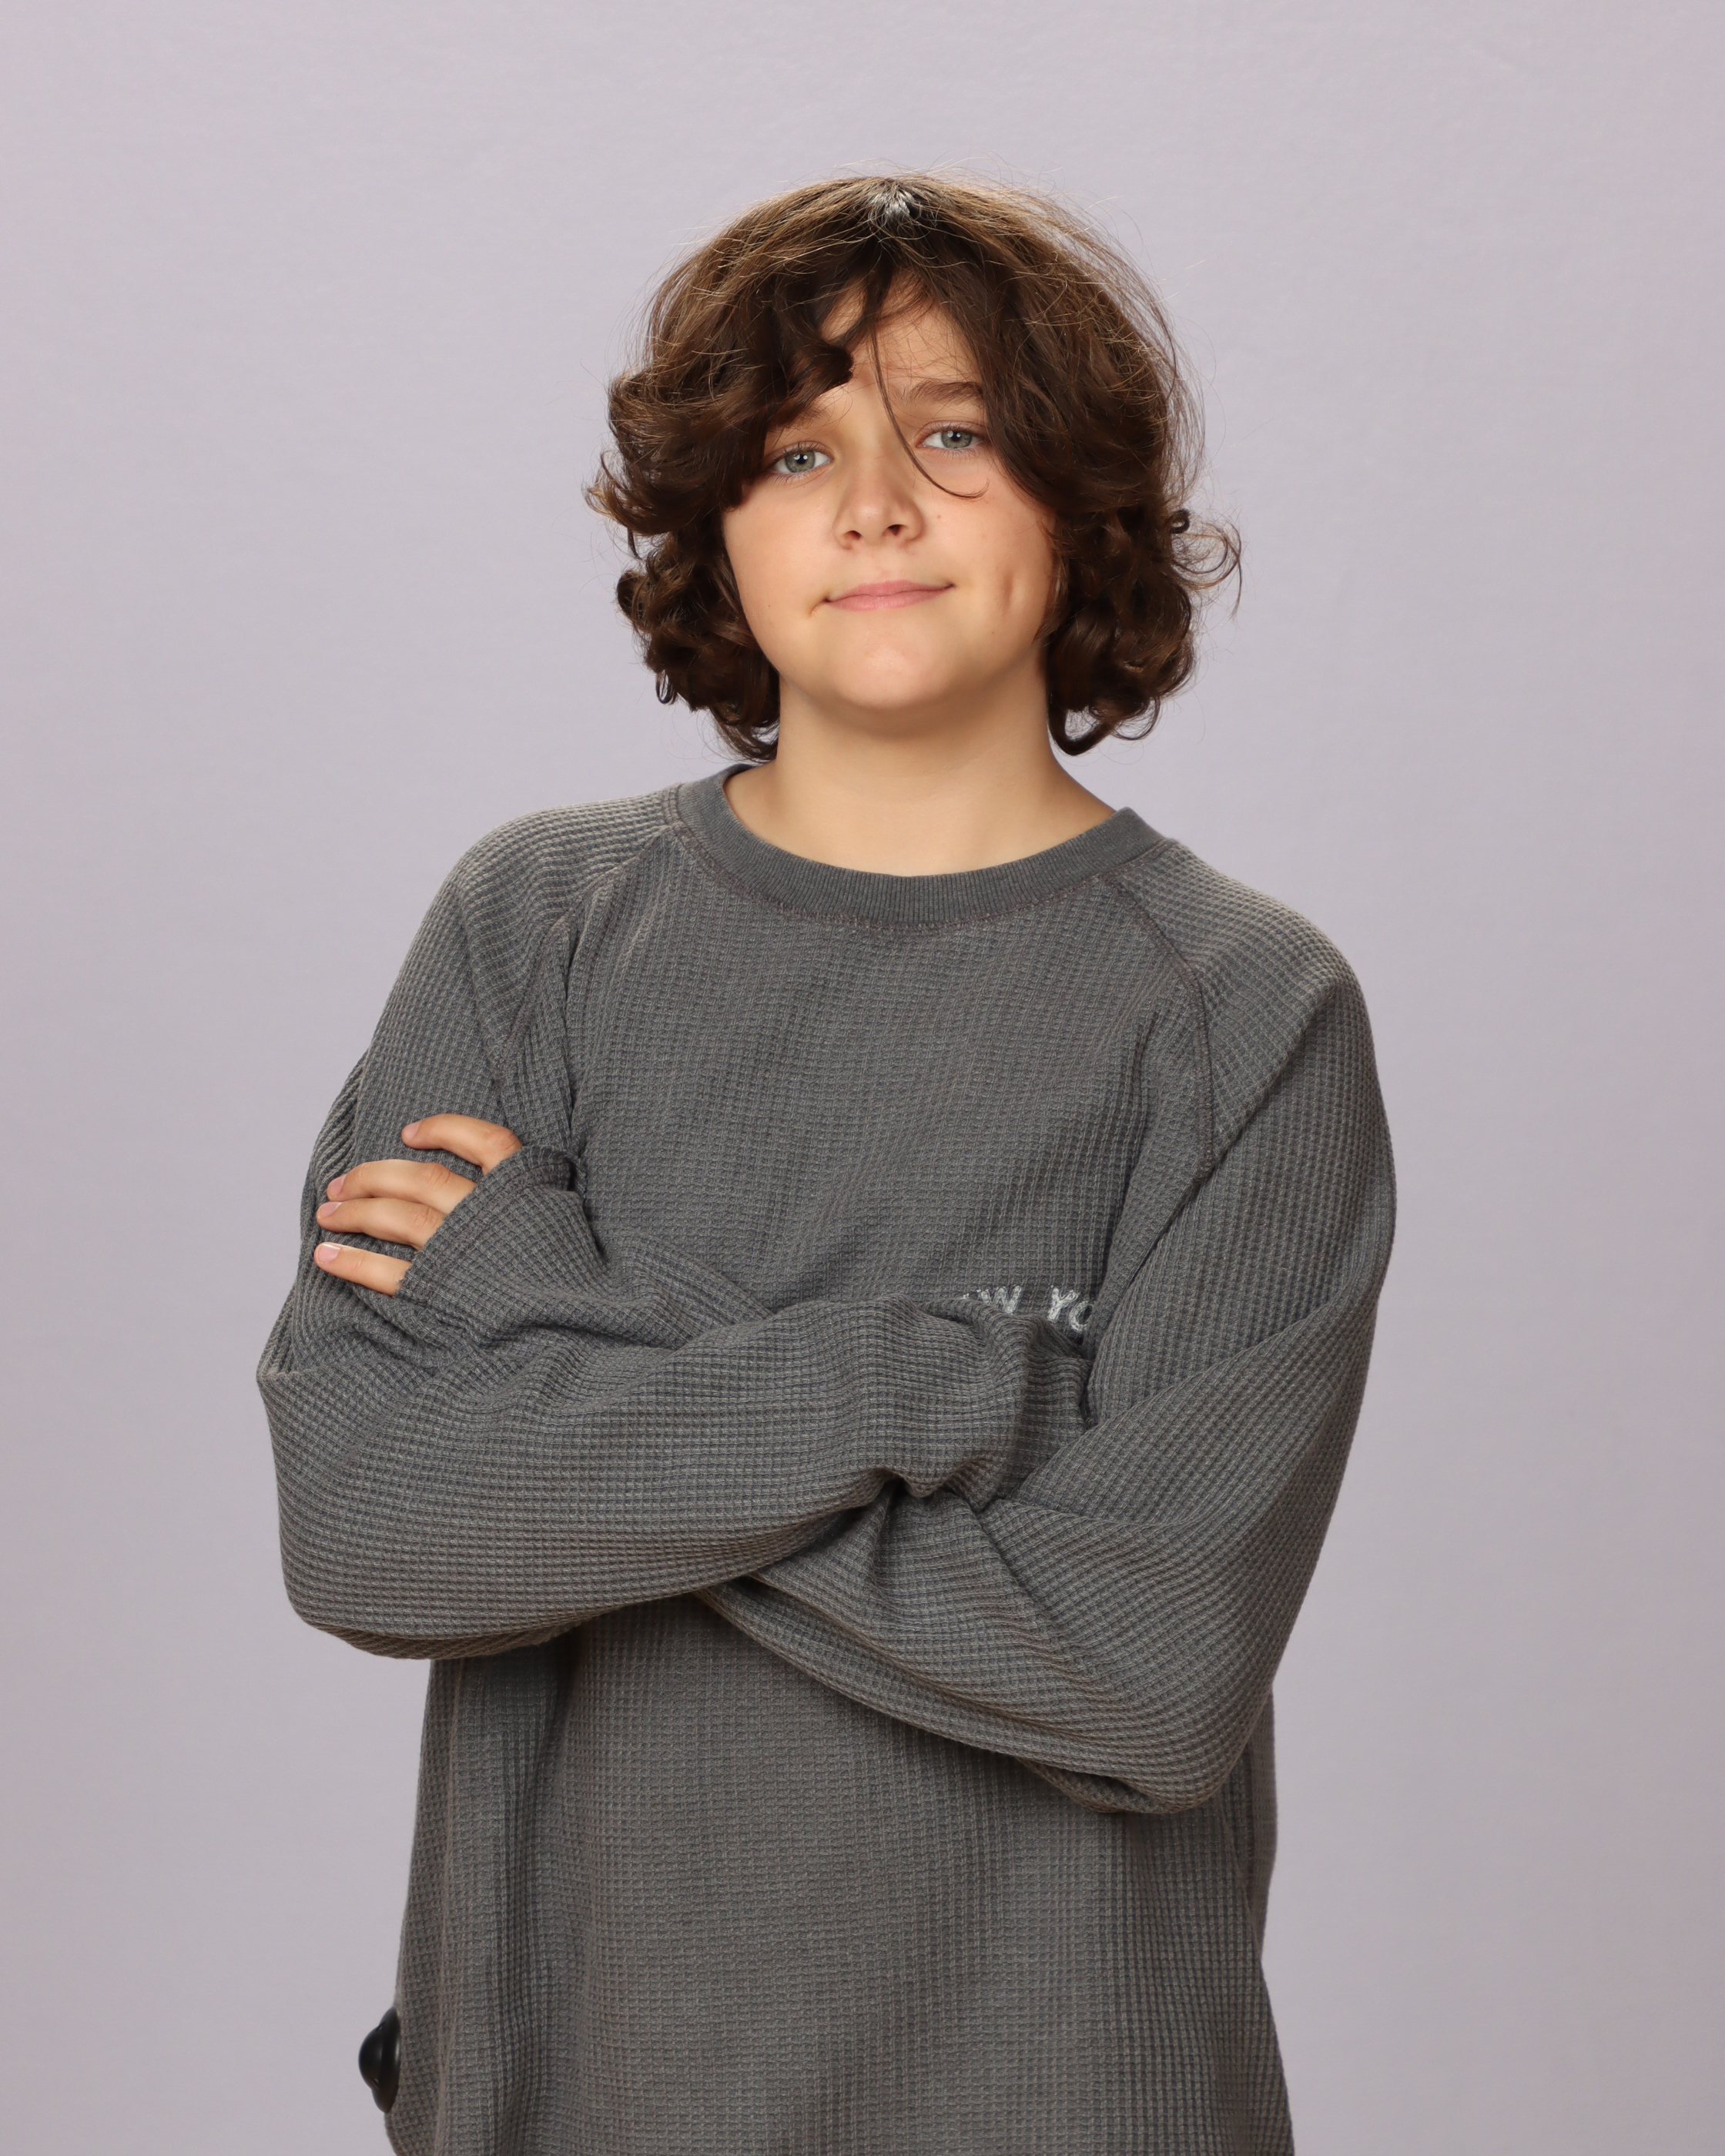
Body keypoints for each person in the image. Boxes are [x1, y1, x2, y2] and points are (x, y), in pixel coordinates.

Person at [260, 172, 1395, 2156]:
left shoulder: (1240, 1012)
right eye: (798, 450)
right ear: (718, 522)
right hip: (578, 2090)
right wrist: (918, 1386)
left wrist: (567, 1314)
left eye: (954, 435)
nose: (874, 506)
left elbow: (1142, 1677)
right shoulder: (536, 928)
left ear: (1080, 504)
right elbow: (374, 1530)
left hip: (1064, 2105)